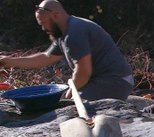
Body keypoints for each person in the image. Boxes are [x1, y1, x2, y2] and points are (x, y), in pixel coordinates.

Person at [0, 0, 134, 101]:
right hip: (100, 82)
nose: (43, 28)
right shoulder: (63, 34)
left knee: (70, 106)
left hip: (115, 81)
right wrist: (7, 61)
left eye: (44, 23)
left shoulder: (75, 32)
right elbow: (45, 57)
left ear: (56, 15)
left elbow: (83, 72)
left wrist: (69, 94)